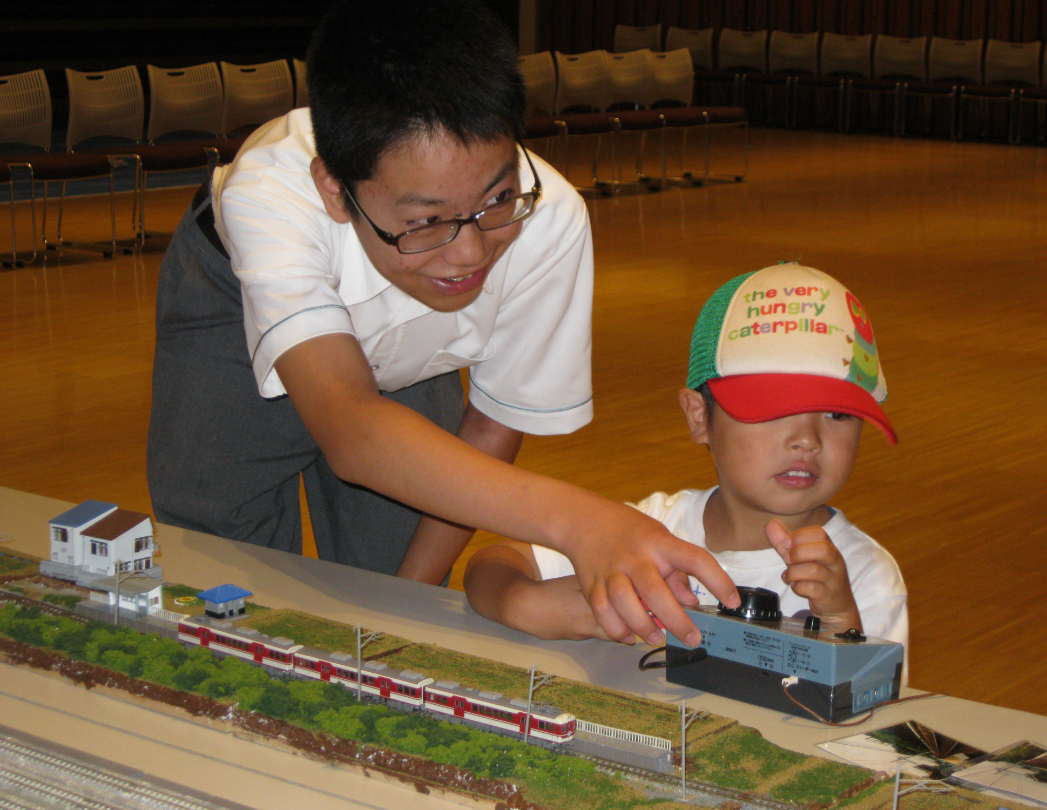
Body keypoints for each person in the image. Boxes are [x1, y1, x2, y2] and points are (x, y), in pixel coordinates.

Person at [146, 0, 739, 649]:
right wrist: (585, 523)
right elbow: (353, 430)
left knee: (401, 555)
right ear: (336, 193)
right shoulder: (272, 196)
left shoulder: (549, 218)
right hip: (232, 306)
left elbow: (489, 427)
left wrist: (392, 622)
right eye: (426, 221)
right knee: (221, 564)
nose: (470, 253)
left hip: (406, 356)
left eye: (497, 199)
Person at [465, 263, 909, 666]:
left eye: (838, 415)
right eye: (772, 411)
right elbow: (494, 563)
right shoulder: (651, 530)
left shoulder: (862, 575)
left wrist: (839, 621)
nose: (807, 441)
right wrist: (526, 603)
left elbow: (873, 730)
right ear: (699, 417)